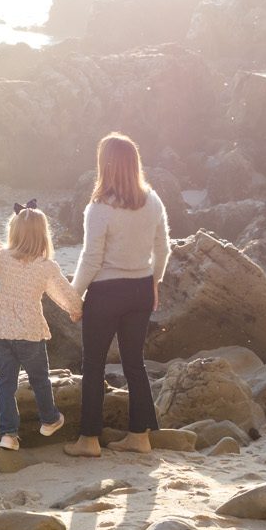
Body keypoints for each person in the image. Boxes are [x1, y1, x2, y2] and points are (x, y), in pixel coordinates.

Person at [65, 132, 170, 457]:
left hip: (106, 293)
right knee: (134, 364)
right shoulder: (152, 201)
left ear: (105, 165)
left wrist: (73, 296)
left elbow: (91, 259)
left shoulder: (99, 208)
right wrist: (155, 282)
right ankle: (140, 436)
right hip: (140, 289)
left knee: (94, 366)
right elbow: (163, 248)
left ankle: (89, 440)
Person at [0, 202, 81, 450]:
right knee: (39, 379)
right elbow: (65, 292)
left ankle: (8, 434)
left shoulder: (3, 258)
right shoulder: (46, 266)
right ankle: (49, 420)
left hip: (2, 330)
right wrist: (76, 309)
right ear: (43, 235)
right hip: (29, 332)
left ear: (14, 232)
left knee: (5, 383)